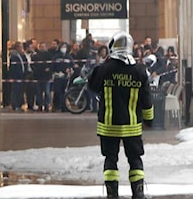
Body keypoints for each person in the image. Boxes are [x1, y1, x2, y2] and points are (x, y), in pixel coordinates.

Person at [88, 31, 154, 199]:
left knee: (110, 160)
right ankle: (138, 193)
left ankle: (112, 194)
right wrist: (149, 120)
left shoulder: (103, 69)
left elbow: (92, 86)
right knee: (135, 159)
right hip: (132, 126)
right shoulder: (140, 71)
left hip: (108, 126)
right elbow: (146, 99)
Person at [51, 42, 74, 112]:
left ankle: (64, 107)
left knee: (65, 92)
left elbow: (72, 65)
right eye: (62, 47)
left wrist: (70, 69)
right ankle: (56, 106)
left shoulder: (69, 57)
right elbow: (52, 66)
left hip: (66, 77)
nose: (64, 48)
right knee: (57, 92)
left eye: (65, 47)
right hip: (58, 76)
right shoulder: (56, 56)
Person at [31, 42, 53, 112]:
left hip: (46, 77)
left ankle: (47, 105)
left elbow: (51, 65)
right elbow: (33, 66)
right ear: (39, 47)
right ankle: (40, 105)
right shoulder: (35, 56)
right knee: (39, 92)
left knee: (47, 92)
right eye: (41, 47)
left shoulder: (49, 55)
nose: (42, 48)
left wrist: (48, 69)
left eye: (44, 46)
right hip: (38, 76)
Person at [9, 41, 26, 112]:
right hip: (16, 77)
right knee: (16, 91)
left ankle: (19, 104)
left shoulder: (20, 55)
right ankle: (15, 105)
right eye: (21, 47)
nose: (22, 48)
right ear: (17, 48)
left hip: (21, 76)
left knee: (19, 91)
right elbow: (13, 67)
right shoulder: (14, 56)